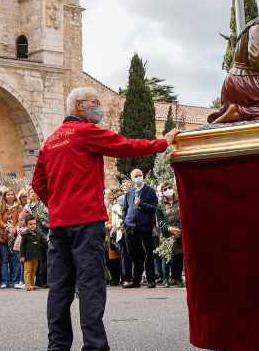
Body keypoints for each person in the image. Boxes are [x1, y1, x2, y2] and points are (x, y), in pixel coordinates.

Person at [32, 86, 179, 351]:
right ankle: (94, 346)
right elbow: (124, 146)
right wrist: (163, 142)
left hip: (59, 224)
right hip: (86, 222)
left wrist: (56, 206)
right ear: (79, 106)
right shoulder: (85, 132)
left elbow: (38, 183)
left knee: (59, 288)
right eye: (94, 102)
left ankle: (57, 346)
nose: (99, 107)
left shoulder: (51, 141)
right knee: (90, 286)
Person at [122, 169, 160, 289]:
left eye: (140, 175)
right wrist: (125, 222)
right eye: (136, 176)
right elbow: (125, 208)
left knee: (148, 253)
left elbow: (154, 208)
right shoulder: (130, 192)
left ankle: (150, 279)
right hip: (130, 227)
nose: (138, 177)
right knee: (134, 255)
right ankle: (136, 280)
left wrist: (142, 204)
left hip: (144, 227)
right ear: (132, 178)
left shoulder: (150, 191)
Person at [157, 184, 183, 288]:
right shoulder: (160, 204)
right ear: (162, 192)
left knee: (179, 256)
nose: (168, 190)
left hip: (180, 233)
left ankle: (178, 278)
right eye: (165, 189)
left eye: (169, 188)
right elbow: (160, 220)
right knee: (166, 257)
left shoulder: (180, 201)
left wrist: (180, 229)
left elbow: (183, 215)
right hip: (167, 234)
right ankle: (165, 279)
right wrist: (168, 228)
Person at [0, 189, 24, 288]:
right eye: (8, 194)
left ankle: (15, 280)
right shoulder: (1, 207)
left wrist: (15, 228)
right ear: (4, 196)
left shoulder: (19, 207)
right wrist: (7, 227)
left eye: (12, 194)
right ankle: (5, 281)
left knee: (15, 259)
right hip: (4, 235)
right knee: (4, 260)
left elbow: (20, 219)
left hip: (14, 236)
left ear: (14, 196)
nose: (10, 196)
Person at [20, 217, 47, 291]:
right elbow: (22, 246)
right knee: (27, 270)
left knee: (33, 271)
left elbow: (44, 241)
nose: (33, 225)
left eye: (34, 224)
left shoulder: (39, 233)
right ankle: (27, 285)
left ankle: (32, 284)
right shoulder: (25, 234)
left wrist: (48, 241)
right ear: (27, 225)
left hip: (36, 256)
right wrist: (22, 256)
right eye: (30, 224)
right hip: (27, 256)